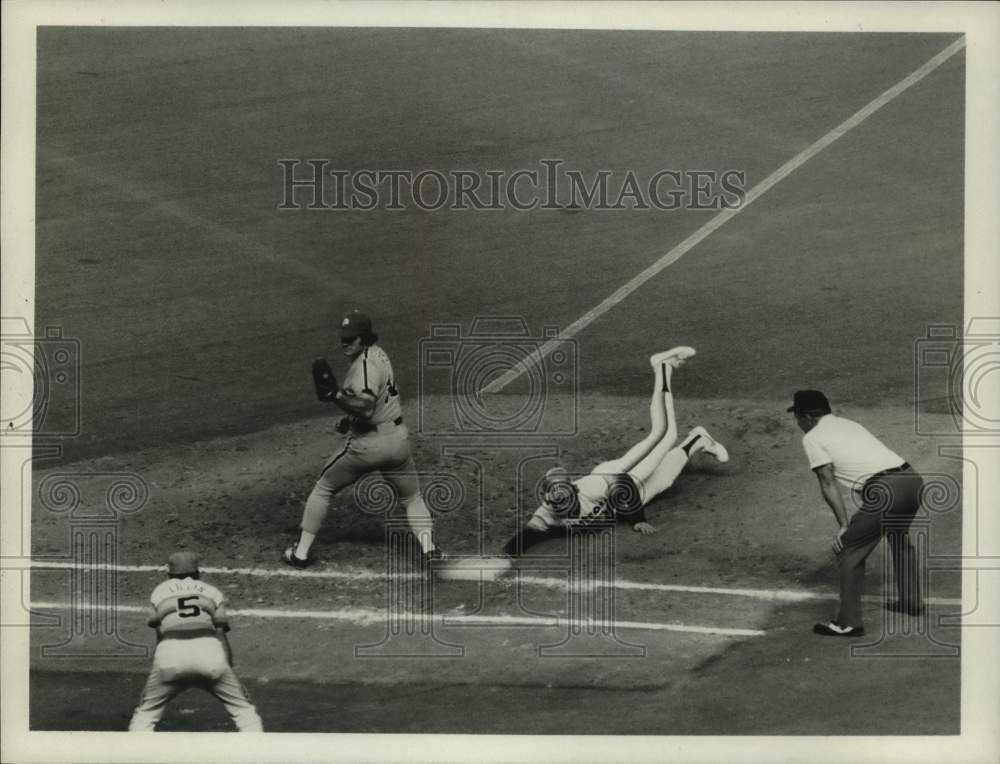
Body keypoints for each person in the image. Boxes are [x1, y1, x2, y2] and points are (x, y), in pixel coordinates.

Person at [501, 346, 729, 556]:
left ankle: (662, 366)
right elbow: (527, 535)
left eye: (564, 500)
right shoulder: (548, 514)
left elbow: (623, 482)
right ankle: (698, 440)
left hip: (621, 476)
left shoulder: (589, 489)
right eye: (557, 503)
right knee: (665, 479)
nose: (560, 506)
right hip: (619, 502)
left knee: (664, 433)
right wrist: (507, 556)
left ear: (573, 490)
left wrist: (637, 519)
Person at [283, 309, 441, 568]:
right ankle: (430, 551)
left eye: (351, 338)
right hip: (397, 441)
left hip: (368, 446)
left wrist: (336, 397)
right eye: (343, 337)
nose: (345, 342)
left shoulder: (363, 367)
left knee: (324, 487)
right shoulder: (379, 355)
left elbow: (366, 406)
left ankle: (300, 553)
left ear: (364, 337)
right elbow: (376, 403)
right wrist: (350, 419)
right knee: (412, 497)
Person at [788, 389, 926, 637]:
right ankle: (912, 601)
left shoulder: (813, 437)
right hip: (912, 480)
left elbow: (827, 482)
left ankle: (848, 623)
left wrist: (844, 526)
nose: (798, 423)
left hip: (887, 491)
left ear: (807, 417)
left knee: (849, 549)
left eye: (797, 417)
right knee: (898, 538)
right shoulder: (850, 424)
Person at [129, 552, 263, 731]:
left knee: (145, 713)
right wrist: (227, 671)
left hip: (170, 655)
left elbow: (159, 635)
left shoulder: (158, 592)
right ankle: (256, 747)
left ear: (169, 575)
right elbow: (220, 634)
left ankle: (135, 747)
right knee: (244, 711)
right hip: (210, 654)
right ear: (197, 574)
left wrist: (159, 670)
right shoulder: (212, 592)